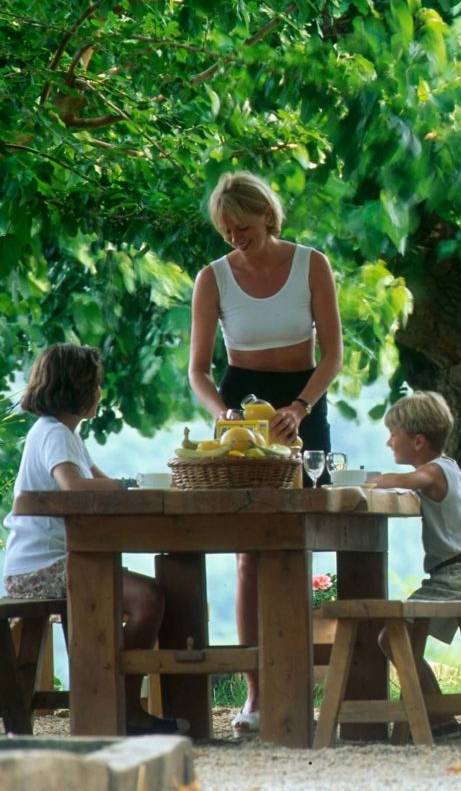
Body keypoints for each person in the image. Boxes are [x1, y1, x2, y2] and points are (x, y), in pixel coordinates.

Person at [187, 170, 343, 737]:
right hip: (240, 408)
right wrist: (223, 416)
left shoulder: (312, 264)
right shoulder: (213, 278)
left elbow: (333, 354)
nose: (235, 239)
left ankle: (301, 682)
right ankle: (254, 693)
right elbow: (199, 371)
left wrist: (301, 407)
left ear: (269, 217)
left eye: (244, 228)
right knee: (249, 552)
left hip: (303, 402)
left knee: (299, 545)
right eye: (226, 231)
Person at [2, 344, 186, 735]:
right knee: (147, 598)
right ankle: (121, 704)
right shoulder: (55, 433)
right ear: (80, 389)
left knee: (142, 594)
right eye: (96, 385)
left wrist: (129, 484)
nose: (100, 393)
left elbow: (99, 483)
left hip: (51, 564)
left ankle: (107, 693)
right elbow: (75, 487)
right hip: (43, 569)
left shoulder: (65, 435)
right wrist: (127, 486)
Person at [370, 391, 461, 739]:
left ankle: (437, 720)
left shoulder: (434, 471)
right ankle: (440, 720)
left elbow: (413, 481)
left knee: (391, 637)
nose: (388, 441)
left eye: (394, 434)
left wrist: (369, 480)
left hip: (460, 576)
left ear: (418, 440)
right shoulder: (448, 466)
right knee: (393, 637)